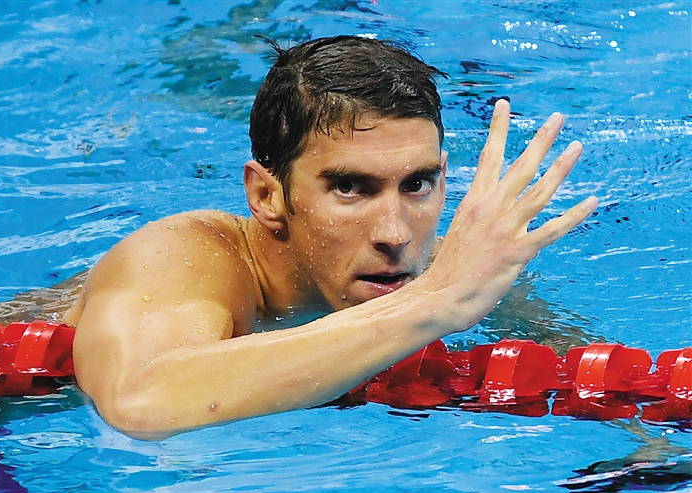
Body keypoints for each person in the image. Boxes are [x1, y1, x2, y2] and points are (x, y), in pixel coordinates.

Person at [63, 36, 598, 440]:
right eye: (350, 187)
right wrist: (433, 304)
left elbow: (598, 378)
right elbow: (140, 401)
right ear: (267, 196)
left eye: (417, 184)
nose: (395, 234)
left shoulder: (454, 270)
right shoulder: (180, 257)